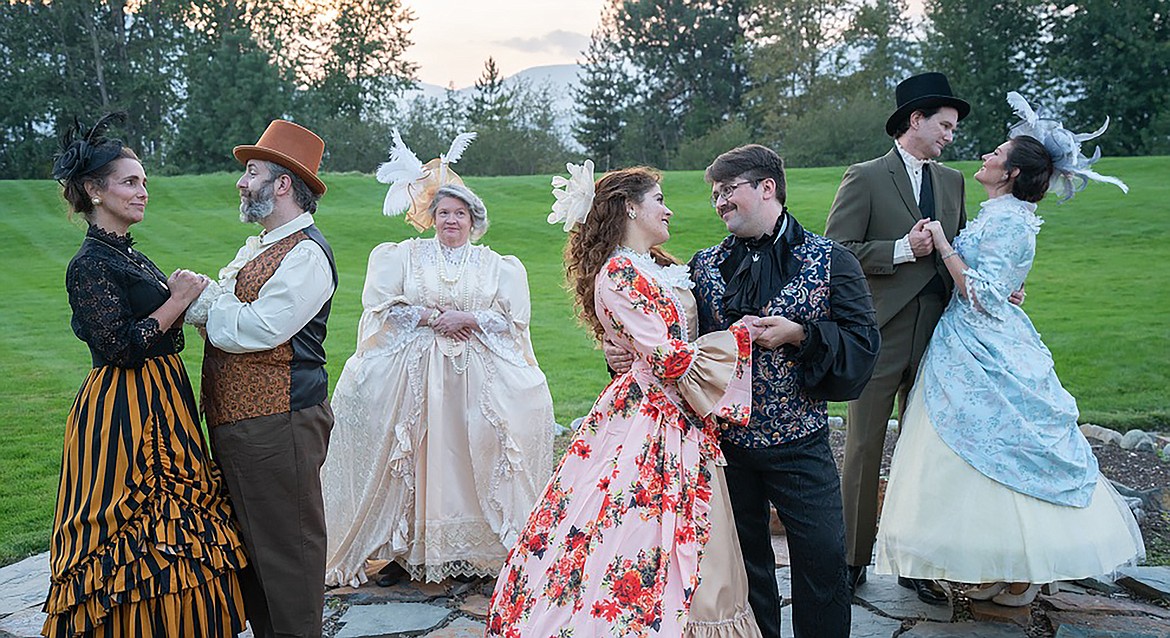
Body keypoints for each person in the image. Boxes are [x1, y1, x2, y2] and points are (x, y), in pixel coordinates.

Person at [874, 92, 1143, 607]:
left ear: (1012, 173)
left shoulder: (1008, 220)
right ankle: (1001, 570)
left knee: (990, 450)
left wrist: (945, 245)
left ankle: (1019, 571)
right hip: (965, 342)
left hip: (980, 346)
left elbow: (983, 295)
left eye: (996, 153)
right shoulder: (1001, 213)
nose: (984, 156)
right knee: (976, 452)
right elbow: (999, 281)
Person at [486, 163, 763, 637]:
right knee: (634, 536)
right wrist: (741, 338)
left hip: (678, 419)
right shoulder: (618, 272)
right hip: (652, 420)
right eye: (659, 199)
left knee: (694, 541)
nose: (668, 208)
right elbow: (666, 358)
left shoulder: (657, 268)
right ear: (631, 207)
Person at [320, 133, 556, 586]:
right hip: (416, 378)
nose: (451, 219)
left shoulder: (497, 266)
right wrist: (430, 315)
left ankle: (482, 546)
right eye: (444, 212)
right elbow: (382, 309)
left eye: (459, 213)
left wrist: (470, 317)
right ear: (431, 218)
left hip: (476, 379)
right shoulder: (405, 256)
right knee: (413, 456)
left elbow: (513, 323)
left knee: (475, 451)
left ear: (473, 219)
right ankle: (401, 550)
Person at [43, 114, 247, 637]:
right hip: (124, 412)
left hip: (163, 399)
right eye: (130, 182)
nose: (142, 192)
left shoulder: (128, 254)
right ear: (94, 190)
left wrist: (183, 306)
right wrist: (177, 299)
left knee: (181, 513)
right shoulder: (90, 264)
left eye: (145, 183)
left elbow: (164, 336)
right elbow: (117, 347)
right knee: (137, 519)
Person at [688, 145, 880, 638]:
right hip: (726, 448)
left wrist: (801, 334)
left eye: (728, 191)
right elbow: (672, 344)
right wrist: (617, 352)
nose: (719, 203)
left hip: (800, 445)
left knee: (822, 558)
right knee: (746, 568)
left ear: (767, 187)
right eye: (715, 195)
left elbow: (863, 344)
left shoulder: (830, 260)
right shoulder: (704, 266)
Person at [824, 72, 977, 603]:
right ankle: (850, 559)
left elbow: (964, 250)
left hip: (939, 333)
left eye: (954, 128)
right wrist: (899, 249)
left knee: (926, 449)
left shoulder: (954, 182)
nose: (951, 135)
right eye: (945, 125)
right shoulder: (864, 177)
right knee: (864, 444)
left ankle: (917, 561)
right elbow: (836, 252)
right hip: (878, 333)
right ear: (916, 119)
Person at [186, 119, 337, 638]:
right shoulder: (262, 246)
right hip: (245, 420)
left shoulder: (307, 254)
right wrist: (209, 299)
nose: (240, 182)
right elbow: (232, 305)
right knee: (255, 546)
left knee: (289, 547)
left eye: (251, 172)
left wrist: (202, 304)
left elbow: (258, 328)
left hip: (281, 420)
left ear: (282, 184)